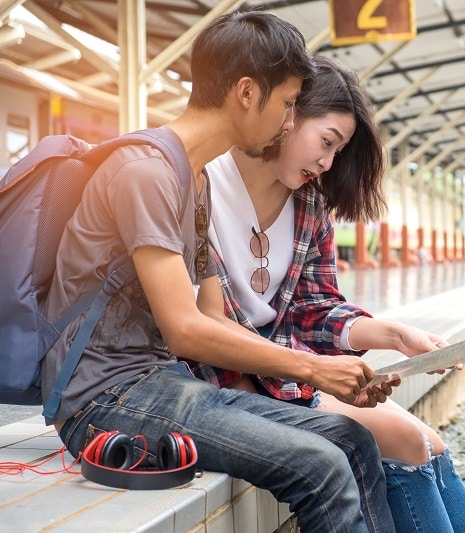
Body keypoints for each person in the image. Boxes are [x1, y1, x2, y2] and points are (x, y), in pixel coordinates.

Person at [41, 11, 397, 533]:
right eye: (289, 104)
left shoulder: (193, 182)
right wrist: (315, 369)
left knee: (352, 440)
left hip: (162, 385)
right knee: (320, 468)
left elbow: (212, 316)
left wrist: (328, 365)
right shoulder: (146, 172)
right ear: (248, 93)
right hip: (104, 400)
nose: (289, 121)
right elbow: (185, 330)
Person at [200, 56, 465, 533]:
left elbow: (315, 309)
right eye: (327, 142)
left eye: (337, 151)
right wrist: (309, 375)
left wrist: (395, 336)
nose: (327, 163)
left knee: (429, 441)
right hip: (235, 381)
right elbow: (196, 329)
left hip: (284, 372)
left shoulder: (307, 203)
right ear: (287, 113)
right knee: (407, 441)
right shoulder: (202, 186)